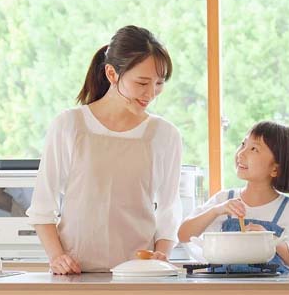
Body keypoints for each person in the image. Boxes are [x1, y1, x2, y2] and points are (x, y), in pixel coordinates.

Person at [26, 25, 183, 274]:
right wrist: (57, 257)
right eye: (142, 82)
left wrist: (161, 255)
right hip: (75, 276)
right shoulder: (69, 125)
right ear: (112, 74)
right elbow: (42, 207)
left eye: (159, 83)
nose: (151, 94)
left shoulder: (165, 135)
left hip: (139, 276)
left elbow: (169, 209)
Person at [177, 121, 289, 273]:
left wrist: (269, 240)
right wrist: (216, 211)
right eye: (243, 144)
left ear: (275, 168)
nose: (241, 153)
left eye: (253, 149)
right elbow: (184, 235)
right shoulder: (224, 199)